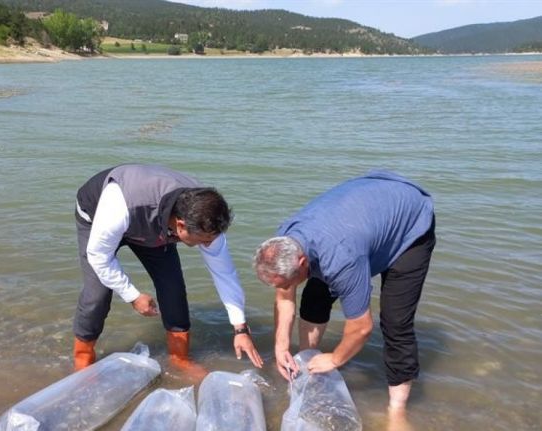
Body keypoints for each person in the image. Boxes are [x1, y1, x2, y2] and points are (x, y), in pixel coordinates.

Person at [253, 170, 435, 411]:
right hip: (364, 209)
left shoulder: (341, 259)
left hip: (410, 223)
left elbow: (361, 327)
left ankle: (397, 410)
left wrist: (335, 358)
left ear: (301, 262)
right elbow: (285, 297)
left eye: (287, 282)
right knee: (315, 298)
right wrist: (281, 346)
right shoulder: (285, 241)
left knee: (395, 322)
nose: (285, 289)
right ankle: (308, 366)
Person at [73, 164, 263, 374]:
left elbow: (224, 274)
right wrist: (132, 295)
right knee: (98, 293)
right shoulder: (118, 208)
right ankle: (83, 358)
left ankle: (179, 359)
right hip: (98, 217)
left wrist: (240, 327)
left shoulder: (207, 219)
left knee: (172, 287)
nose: (209, 245)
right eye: (203, 241)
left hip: (157, 227)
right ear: (181, 226)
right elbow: (99, 257)